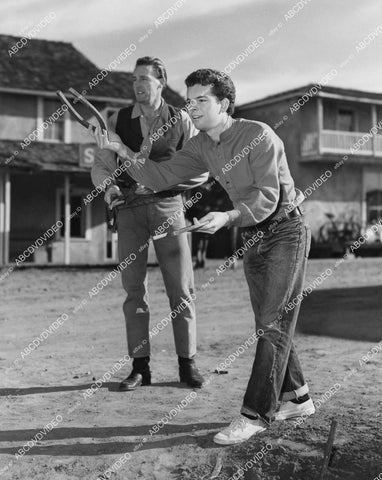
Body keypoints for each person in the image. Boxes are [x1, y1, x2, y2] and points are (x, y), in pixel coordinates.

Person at [91, 68, 315, 445]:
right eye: (189, 101)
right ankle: (300, 398)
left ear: (224, 103)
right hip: (252, 233)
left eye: (201, 101)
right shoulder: (200, 147)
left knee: (273, 323)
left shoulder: (258, 135)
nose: (191, 108)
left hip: (285, 231)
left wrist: (226, 217)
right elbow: (160, 176)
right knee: (269, 322)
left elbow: (266, 199)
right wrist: (118, 150)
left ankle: (255, 414)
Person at [91, 57, 208, 391]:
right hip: (129, 211)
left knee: (182, 289)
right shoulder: (116, 119)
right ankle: (140, 368)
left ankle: (188, 366)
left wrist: (166, 183)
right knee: (133, 291)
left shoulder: (181, 118)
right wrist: (108, 187)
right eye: (134, 79)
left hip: (167, 208)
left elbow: (201, 168)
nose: (138, 85)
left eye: (145, 78)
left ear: (161, 82)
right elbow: (101, 164)